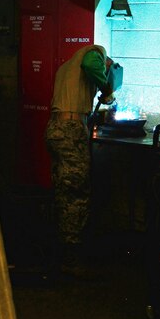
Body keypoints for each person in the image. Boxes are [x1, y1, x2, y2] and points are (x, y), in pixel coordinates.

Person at [45, 44, 115, 278]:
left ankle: (58, 249)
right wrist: (107, 88)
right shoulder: (94, 55)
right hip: (71, 129)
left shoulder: (67, 66)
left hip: (56, 128)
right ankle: (71, 257)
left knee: (63, 189)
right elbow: (92, 65)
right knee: (76, 190)